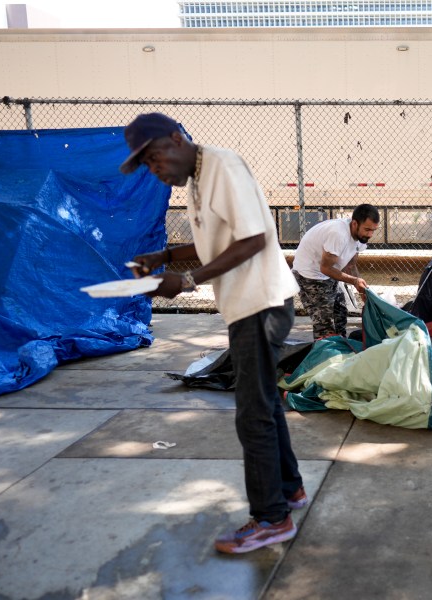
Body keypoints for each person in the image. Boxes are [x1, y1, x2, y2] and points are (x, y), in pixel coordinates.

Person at [119, 112, 307, 554]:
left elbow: (255, 239)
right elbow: (216, 244)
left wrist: (186, 281)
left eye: (154, 157)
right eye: (146, 165)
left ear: (176, 138)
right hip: (249, 305)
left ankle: (271, 519)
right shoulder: (198, 180)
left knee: (252, 413)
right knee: (263, 404)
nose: (154, 168)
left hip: (261, 303)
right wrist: (165, 254)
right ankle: (290, 490)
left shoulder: (222, 166)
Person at [292, 204, 380, 339]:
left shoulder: (361, 237)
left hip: (327, 273)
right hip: (309, 275)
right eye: (367, 229)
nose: (370, 234)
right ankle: (326, 355)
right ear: (355, 223)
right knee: (325, 323)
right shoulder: (338, 234)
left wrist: (361, 288)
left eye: (373, 230)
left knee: (340, 313)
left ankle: (341, 349)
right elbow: (325, 268)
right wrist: (354, 281)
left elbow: (349, 265)